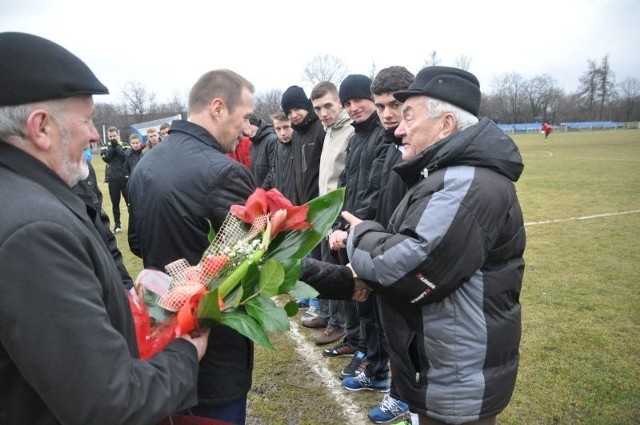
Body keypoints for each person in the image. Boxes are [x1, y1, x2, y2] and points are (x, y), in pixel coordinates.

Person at [0, 31, 208, 425]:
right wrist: (185, 352)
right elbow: (108, 404)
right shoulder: (33, 232)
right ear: (40, 127)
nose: (96, 134)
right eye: (88, 120)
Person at [343, 66, 526, 425]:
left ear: (445, 125)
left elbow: (406, 268)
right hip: (443, 366)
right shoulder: (448, 175)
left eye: (408, 116)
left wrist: (360, 234)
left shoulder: (467, 187)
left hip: (456, 376)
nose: (398, 128)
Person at [128, 69, 256, 424]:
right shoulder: (223, 172)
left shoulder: (146, 163)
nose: (247, 129)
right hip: (213, 350)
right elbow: (259, 254)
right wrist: (348, 281)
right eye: (244, 117)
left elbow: (137, 242)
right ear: (218, 107)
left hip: (164, 342)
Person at [327, 75, 387, 391]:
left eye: (358, 100)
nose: (353, 107)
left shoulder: (382, 137)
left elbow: (375, 192)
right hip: (353, 232)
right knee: (362, 301)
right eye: (348, 103)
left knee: (374, 304)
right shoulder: (356, 138)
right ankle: (367, 355)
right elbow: (345, 186)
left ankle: (377, 366)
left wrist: (353, 230)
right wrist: (338, 224)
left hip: (370, 233)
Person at [362, 65, 415, 424]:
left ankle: (405, 397)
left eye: (394, 104)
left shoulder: (417, 147)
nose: (386, 113)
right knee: (391, 328)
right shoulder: (388, 144)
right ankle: (400, 393)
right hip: (385, 250)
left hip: (408, 256)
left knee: (409, 335)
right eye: (380, 106)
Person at [309, 81, 355, 347]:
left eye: (328, 105)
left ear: (339, 102)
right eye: (318, 108)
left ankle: (344, 328)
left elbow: (347, 180)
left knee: (340, 274)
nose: (324, 112)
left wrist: (340, 219)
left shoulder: (349, 131)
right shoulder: (329, 131)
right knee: (328, 270)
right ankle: (333, 320)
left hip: (341, 217)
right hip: (326, 216)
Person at [280, 85, 325, 205]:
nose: (293, 115)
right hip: (303, 204)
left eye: (296, 109)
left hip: (322, 203)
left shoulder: (321, 128)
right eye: (289, 112)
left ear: (306, 106)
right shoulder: (295, 135)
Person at [100, 125, 129, 233]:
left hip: (125, 178)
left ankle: (134, 222)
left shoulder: (125, 145)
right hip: (112, 179)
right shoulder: (104, 147)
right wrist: (112, 147)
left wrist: (116, 146)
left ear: (118, 135)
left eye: (114, 136)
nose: (113, 138)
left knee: (129, 202)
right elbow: (107, 159)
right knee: (115, 203)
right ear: (108, 136)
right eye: (111, 136)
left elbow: (124, 158)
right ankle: (117, 225)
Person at [262, 111, 296, 202]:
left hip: (298, 204)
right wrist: (262, 192)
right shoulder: (277, 144)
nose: (283, 133)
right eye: (278, 129)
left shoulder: (300, 145)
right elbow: (273, 171)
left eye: (286, 127)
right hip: (280, 202)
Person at [246, 113, 278, 187]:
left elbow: (273, 170)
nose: (248, 130)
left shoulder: (272, 140)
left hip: (268, 192)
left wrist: (262, 190)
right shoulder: (253, 144)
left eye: (250, 126)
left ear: (256, 124)